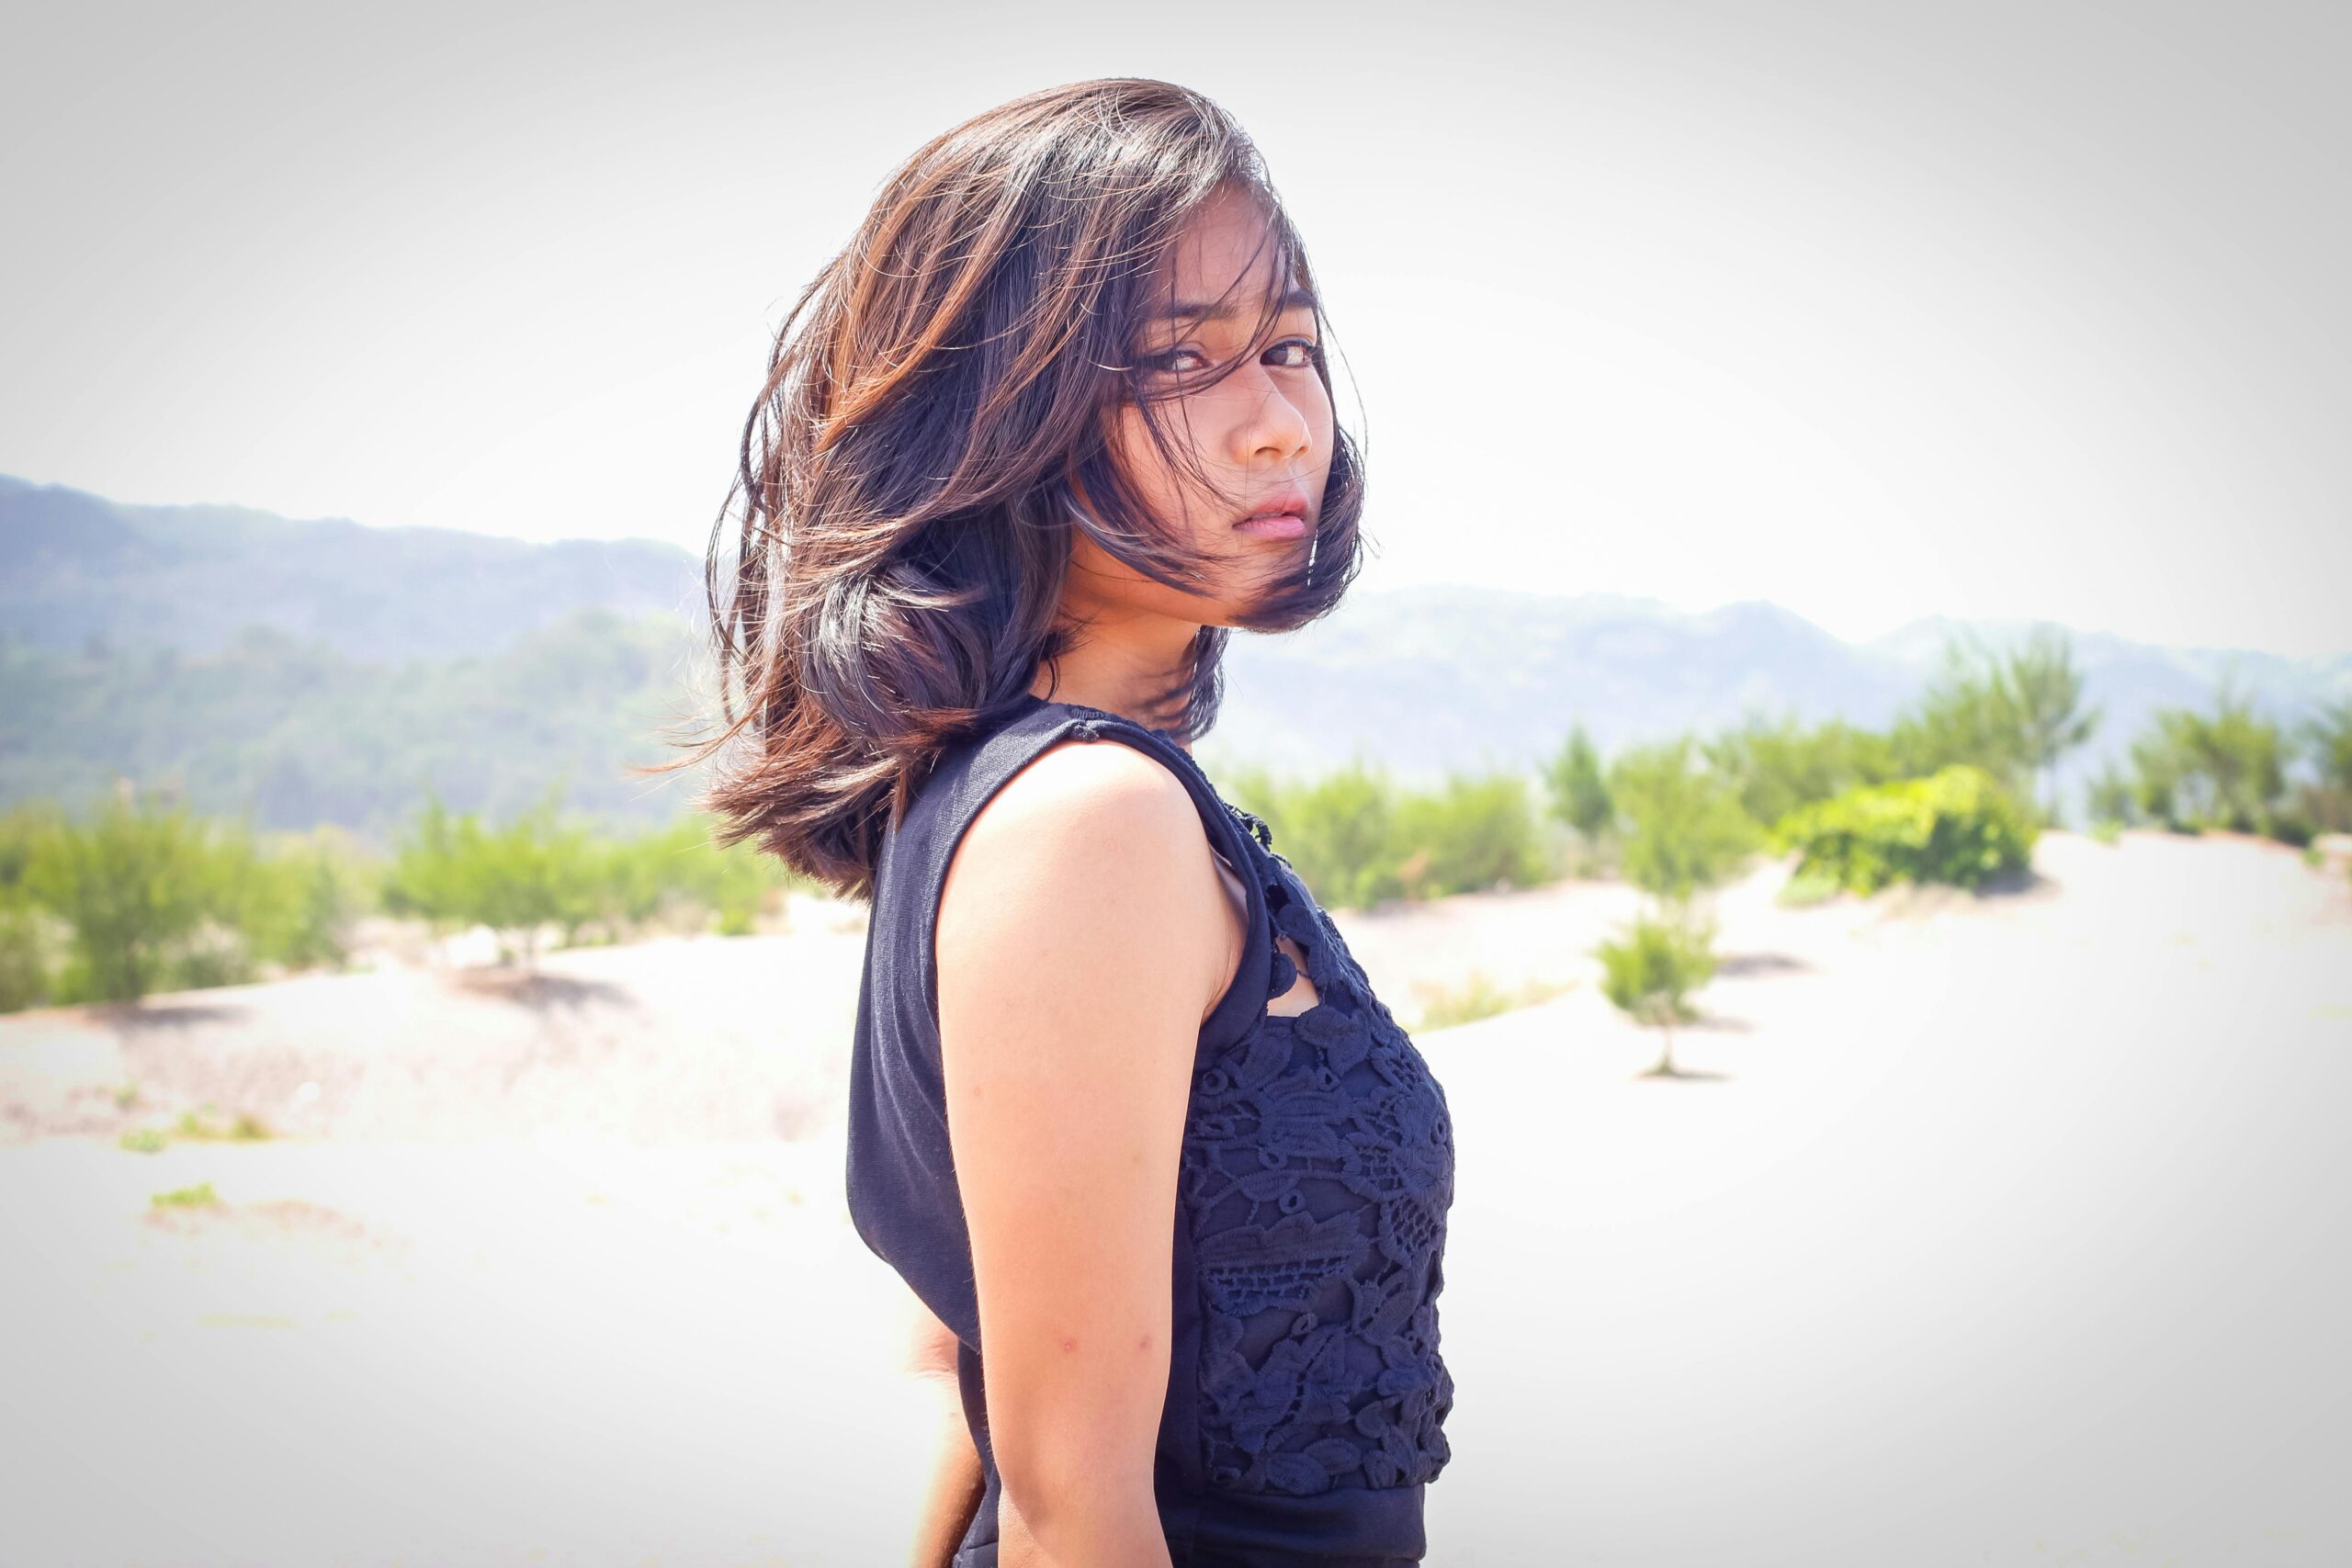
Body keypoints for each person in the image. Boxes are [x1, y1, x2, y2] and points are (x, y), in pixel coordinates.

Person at [671, 78, 1455, 1568]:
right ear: (1000, 412)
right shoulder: (1087, 820)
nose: (1282, 425)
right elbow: (1069, 1505)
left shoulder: (1030, 795)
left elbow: (991, 1409)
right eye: (1184, 363)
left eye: (1289, 348)